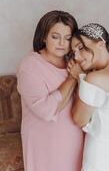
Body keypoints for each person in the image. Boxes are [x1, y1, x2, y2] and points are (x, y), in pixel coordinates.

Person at [17, 10, 84, 171]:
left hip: (73, 136)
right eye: (55, 36)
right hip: (44, 140)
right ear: (44, 37)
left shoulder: (75, 62)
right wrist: (72, 78)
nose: (62, 43)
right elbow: (47, 111)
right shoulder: (30, 65)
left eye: (67, 38)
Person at [68, 23, 109, 171]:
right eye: (73, 52)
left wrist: (80, 78)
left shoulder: (95, 79)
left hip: (99, 156)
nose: (77, 57)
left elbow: (79, 119)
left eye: (80, 48)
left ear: (100, 44)